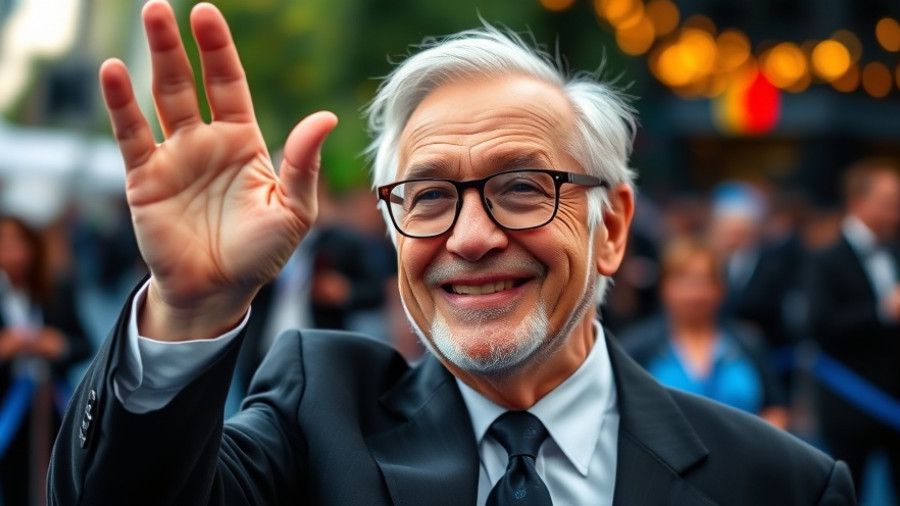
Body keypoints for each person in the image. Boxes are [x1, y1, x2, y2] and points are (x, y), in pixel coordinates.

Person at [49, 2, 853, 504]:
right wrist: (190, 309)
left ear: (611, 229)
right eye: (429, 197)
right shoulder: (317, 410)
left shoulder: (782, 483)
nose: (469, 238)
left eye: (521, 186)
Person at [805, 158, 900, 499]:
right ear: (858, 201)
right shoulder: (825, 258)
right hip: (849, 403)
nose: (896, 213)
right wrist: (882, 311)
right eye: (889, 203)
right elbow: (819, 325)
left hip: (894, 400)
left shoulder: (894, 251)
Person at [621, 237, 788, 429]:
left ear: (721, 288)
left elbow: (775, 407)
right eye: (683, 280)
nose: (694, 292)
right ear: (664, 287)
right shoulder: (638, 346)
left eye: (704, 280)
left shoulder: (747, 342)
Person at [0, 215, 91, 505]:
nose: (12, 253)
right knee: (13, 483)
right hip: (5, 412)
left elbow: (84, 345)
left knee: (57, 481)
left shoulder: (56, 291)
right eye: (3, 243)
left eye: (19, 242)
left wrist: (57, 345)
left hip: (50, 405)